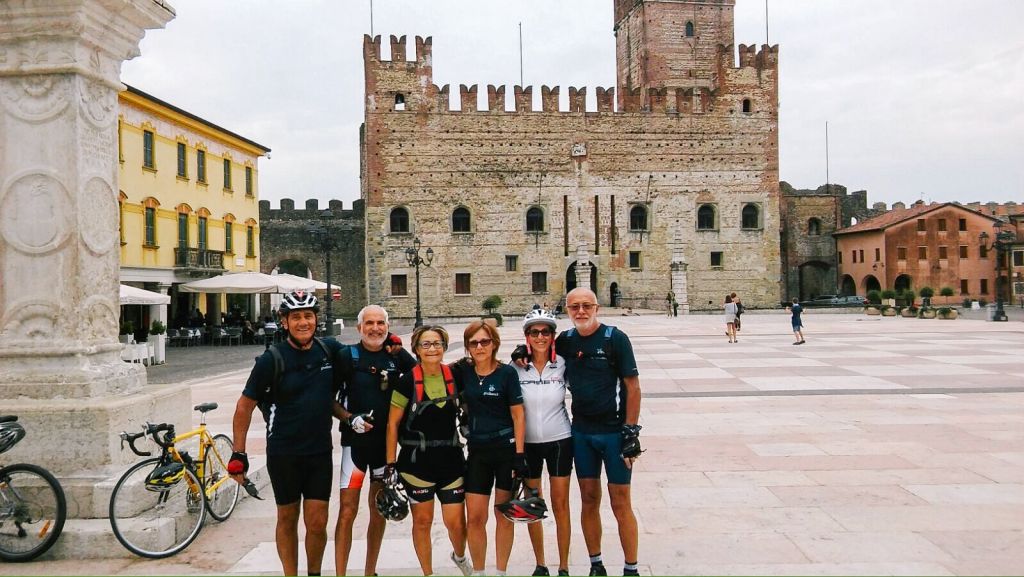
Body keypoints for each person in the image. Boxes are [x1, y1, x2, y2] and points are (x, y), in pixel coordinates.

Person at [229, 290, 343, 576]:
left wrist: (393, 344)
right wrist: (238, 454)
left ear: (316, 319)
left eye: (308, 316)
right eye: (296, 317)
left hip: (319, 452)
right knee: (288, 517)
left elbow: (366, 353)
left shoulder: (329, 350)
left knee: (317, 522)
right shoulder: (271, 359)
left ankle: (314, 573)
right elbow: (244, 407)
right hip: (284, 453)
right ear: (284, 321)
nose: (303, 322)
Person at [555, 288, 643, 577]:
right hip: (582, 433)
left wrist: (631, 431)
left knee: (620, 501)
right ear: (567, 310)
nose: (580, 311)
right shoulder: (565, 341)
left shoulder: (614, 338)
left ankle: (631, 567)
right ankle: (596, 564)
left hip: (613, 433)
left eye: (586, 306)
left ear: (597, 307)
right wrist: (523, 354)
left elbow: (633, 386)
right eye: (574, 307)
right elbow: (541, 354)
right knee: (589, 499)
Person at [333, 305, 417, 576]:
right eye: (369, 323)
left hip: (385, 448)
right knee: (347, 511)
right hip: (354, 447)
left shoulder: (396, 358)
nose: (375, 328)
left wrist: (400, 350)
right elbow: (328, 398)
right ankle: (341, 573)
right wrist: (349, 419)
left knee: (379, 508)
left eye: (381, 323)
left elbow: (421, 374)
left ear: (388, 326)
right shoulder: (348, 356)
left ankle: (370, 571)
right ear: (359, 328)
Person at [385, 326, 472, 577]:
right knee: (422, 522)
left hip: (451, 461)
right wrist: (390, 466)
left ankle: (459, 555)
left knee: (456, 522)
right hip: (416, 464)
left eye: (437, 343)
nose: (432, 349)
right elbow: (392, 424)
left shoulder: (456, 376)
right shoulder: (406, 382)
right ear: (416, 349)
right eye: (426, 344)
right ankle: (427, 573)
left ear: (444, 347)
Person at [452, 320, 526, 577]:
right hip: (478, 453)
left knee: (503, 514)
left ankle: (501, 572)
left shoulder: (507, 373)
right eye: (474, 343)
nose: (480, 346)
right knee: (475, 517)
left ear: (494, 343)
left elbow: (518, 415)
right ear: (467, 347)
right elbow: (428, 364)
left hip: (505, 451)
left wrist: (519, 454)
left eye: (485, 341)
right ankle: (480, 572)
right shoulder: (463, 372)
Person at [511, 310, 572, 577]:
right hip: (529, 445)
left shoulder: (562, 364)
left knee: (560, 504)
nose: (540, 337)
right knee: (533, 504)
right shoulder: (515, 368)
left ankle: (564, 565)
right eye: (534, 332)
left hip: (559, 440)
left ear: (553, 335)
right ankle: (541, 563)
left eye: (545, 332)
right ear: (526, 336)